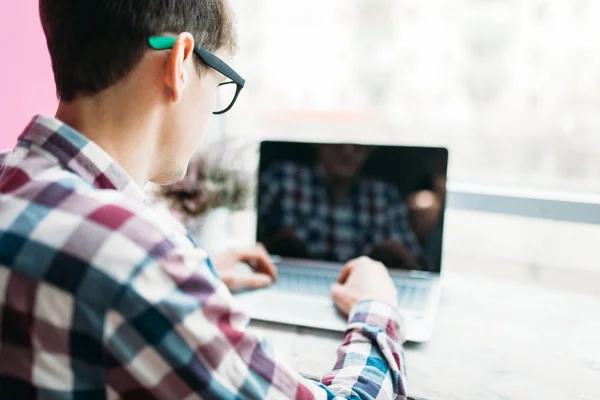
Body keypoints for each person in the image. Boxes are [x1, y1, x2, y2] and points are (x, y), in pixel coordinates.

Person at [0, 1, 407, 399]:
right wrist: (377, 309)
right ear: (179, 63)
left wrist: (198, 277)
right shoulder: (135, 258)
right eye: (219, 81)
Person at [259, 144, 426, 269]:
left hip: (364, 289)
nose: (347, 151)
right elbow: (245, 246)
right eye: (339, 143)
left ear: (370, 148)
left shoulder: (385, 195)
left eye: (357, 146)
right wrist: (275, 247)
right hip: (290, 279)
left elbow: (417, 268)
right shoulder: (283, 179)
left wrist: (395, 256)